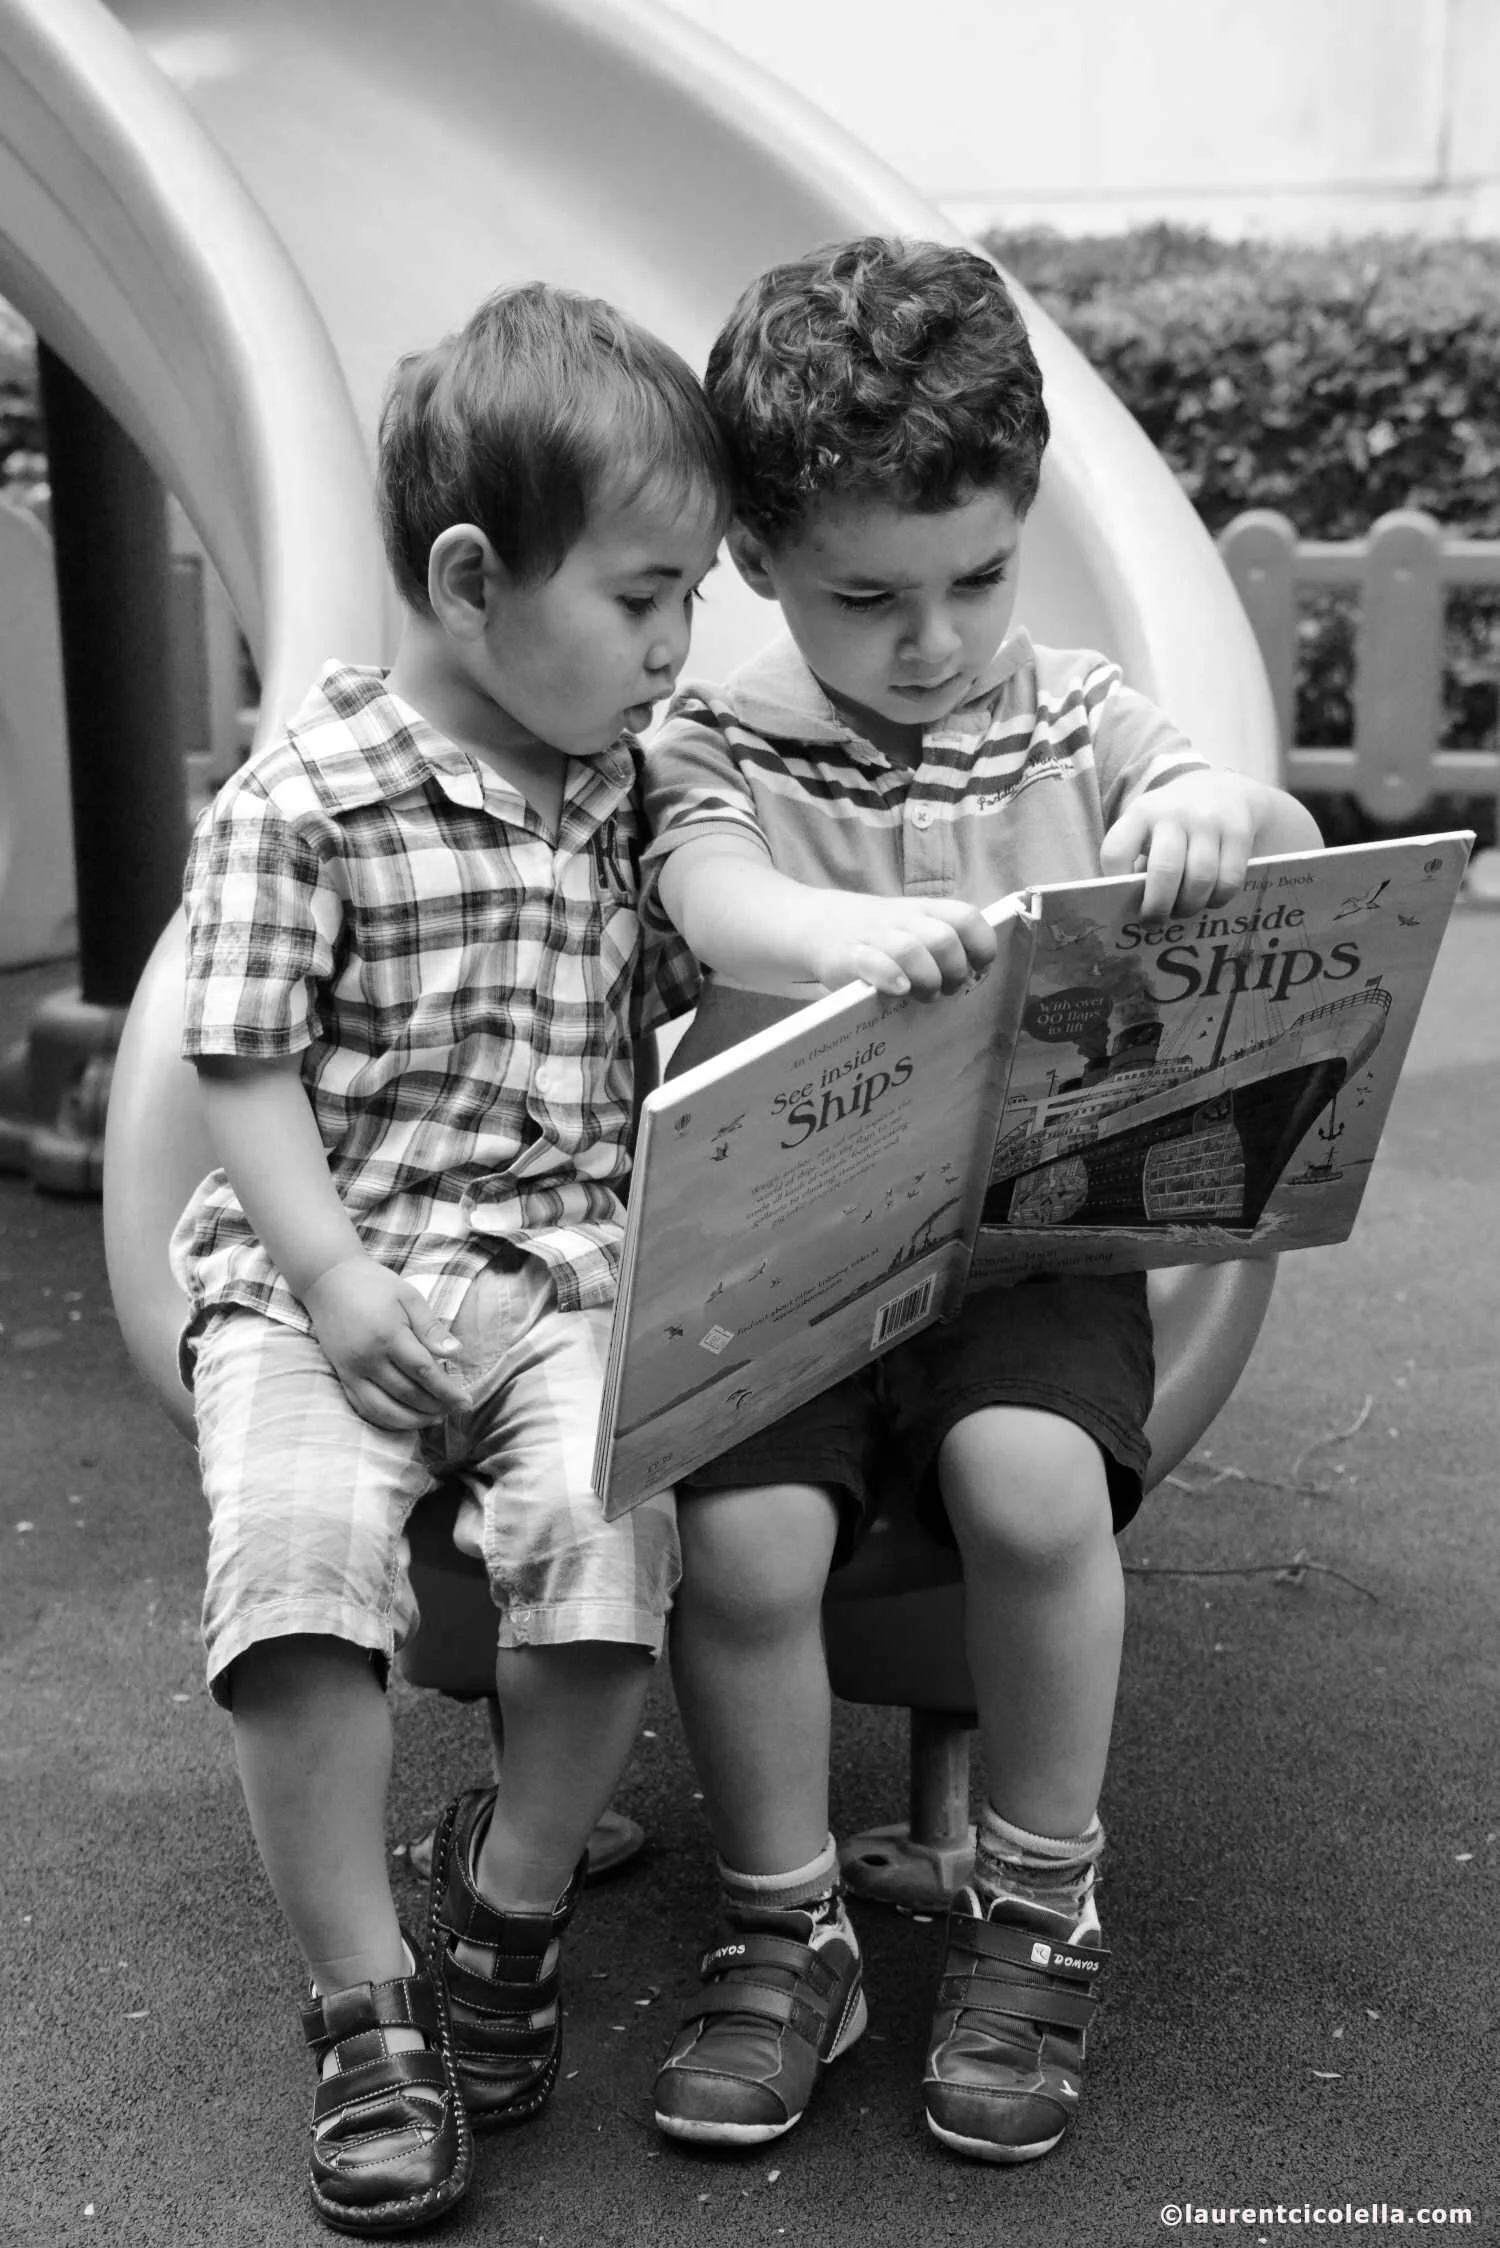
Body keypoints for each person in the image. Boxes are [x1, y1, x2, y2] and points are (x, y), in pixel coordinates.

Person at [640, 236, 1321, 2166]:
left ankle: (1038, 1906)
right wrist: (853, 932)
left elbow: (1250, 834)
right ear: (759, 566)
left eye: (978, 578)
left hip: (1023, 1227)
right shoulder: (721, 743)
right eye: (867, 597)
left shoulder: (1081, 714)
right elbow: (713, 900)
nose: (934, 641)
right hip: (786, 1242)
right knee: (751, 1544)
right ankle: (789, 1930)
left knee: (1029, 1487)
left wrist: (1228, 822)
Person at [171, 281, 727, 2234]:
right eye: (648, 597)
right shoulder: (306, 793)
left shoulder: (621, 787)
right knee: (301, 1576)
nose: (676, 646)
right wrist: (325, 1276)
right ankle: (362, 1994)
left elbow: (697, 977)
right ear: (476, 575)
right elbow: (233, 1055)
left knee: (611, 1527)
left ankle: (505, 1901)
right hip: (334, 1279)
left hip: (565, 1270)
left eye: (693, 605)